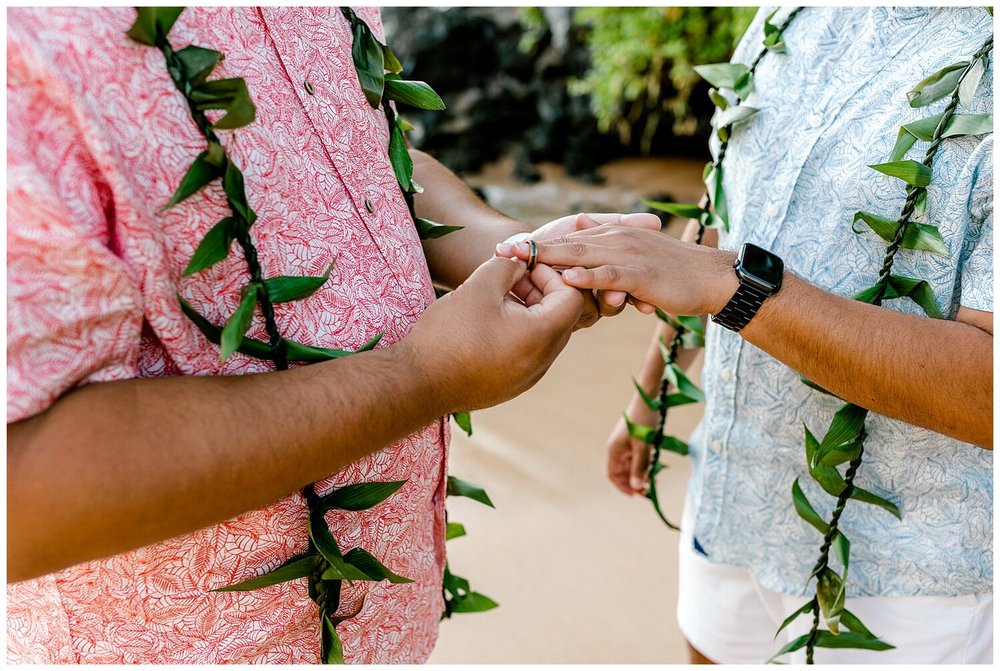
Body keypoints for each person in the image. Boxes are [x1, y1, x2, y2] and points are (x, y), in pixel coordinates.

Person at [6, 6, 659, 663]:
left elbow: (354, 145)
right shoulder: (25, 39)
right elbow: (22, 490)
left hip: (384, 629)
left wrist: (510, 248)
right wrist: (422, 376)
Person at [500, 6, 992, 664]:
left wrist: (738, 286)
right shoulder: (783, 16)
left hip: (901, 578)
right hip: (731, 506)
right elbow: (724, 216)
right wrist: (651, 394)